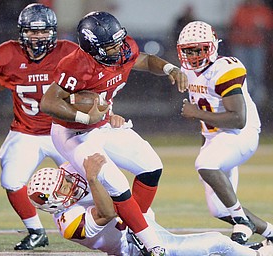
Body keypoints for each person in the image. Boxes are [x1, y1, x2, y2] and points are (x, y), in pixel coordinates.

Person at [40, 11, 188, 256]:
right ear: (92, 48)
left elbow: (147, 60)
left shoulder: (124, 48)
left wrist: (171, 68)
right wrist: (85, 117)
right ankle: (153, 246)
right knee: (115, 181)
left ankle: (130, 228)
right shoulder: (76, 64)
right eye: (110, 46)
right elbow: (48, 102)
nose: (119, 49)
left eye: (119, 41)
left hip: (102, 125)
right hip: (73, 133)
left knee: (151, 164)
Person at [0, 3, 79, 250]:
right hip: (26, 132)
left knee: (89, 178)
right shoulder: (8, 56)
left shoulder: (68, 53)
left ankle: (107, 225)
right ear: (22, 32)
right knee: (11, 179)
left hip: (64, 130)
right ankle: (36, 231)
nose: (37, 37)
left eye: (43, 31)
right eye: (32, 32)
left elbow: (89, 86)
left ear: (53, 32)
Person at [27, 153, 273, 256]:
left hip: (137, 225)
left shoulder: (67, 181)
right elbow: (109, 211)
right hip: (135, 247)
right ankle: (259, 254)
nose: (70, 182)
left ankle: (248, 251)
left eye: (65, 180)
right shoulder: (69, 224)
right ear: (55, 203)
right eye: (64, 187)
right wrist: (91, 177)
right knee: (216, 242)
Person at [178, 21, 273, 247]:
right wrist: (205, 140)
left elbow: (238, 119)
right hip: (217, 138)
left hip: (240, 134)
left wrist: (196, 113)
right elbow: (208, 117)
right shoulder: (187, 71)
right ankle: (270, 233)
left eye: (198, 49)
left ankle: (241, 219)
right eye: (188, 50)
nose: (193, 55)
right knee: (218, 208)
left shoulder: (225, 69)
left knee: (205, 164)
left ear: (211, 47)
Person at [228, 0, 273, 108]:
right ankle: (243, 97)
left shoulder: (263, 10)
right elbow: (233, 25)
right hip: (241, 45)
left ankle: (257, 101)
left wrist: (260, 29)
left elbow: (268, 27)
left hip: (256, 45)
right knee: (242, 71)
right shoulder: (241, 9)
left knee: (257, 72)